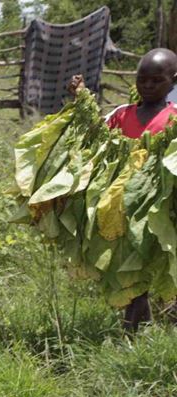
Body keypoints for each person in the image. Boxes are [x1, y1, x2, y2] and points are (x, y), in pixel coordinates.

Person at [68, 48, 177, 331]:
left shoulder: (174, 119)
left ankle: (130, 331)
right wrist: (81, 98)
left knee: (141, 264)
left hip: (155, 207)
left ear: (173, 82)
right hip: (118, 205)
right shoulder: (122, 114)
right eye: (143, 80)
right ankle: (143, 326)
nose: (148, 86)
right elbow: (95, 136)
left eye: (157, 80)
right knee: (129, 265)